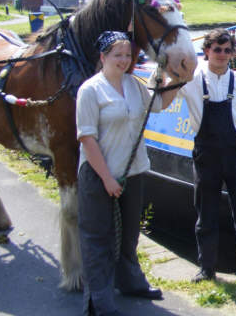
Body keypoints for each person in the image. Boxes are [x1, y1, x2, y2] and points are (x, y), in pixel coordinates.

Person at [76, 31, 181, 316]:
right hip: (100, 175)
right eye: (117, 55)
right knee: (98, 237)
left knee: (129, 234)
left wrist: (179, 80)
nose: (123, 60)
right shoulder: (90, 90)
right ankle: (98, 300)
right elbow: (87, 138)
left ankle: (130, 281)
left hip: (134, 171)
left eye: (127, 55)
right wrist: (107, 179)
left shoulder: (134, 85)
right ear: (102, 57)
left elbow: (159, 104)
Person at [177, 28, 236, 288]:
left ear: (232, 53)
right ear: (206, 51)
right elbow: (163, 91)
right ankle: (206, 269)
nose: (221, 54)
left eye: (226, 50)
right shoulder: (191, 80)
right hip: (206, 157)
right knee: (205, 215)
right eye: (216, 49)